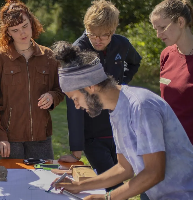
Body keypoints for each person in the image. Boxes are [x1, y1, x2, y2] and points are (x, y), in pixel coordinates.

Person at [52, 41, 193, 200]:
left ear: (90, 87)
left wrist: (107, 198)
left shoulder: (141, 106)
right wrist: (80, 186)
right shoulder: (116, 109)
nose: (76, 106)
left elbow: (154, 172)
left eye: (75, 98)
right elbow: (124, 168)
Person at [59, 0, 142, 192]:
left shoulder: (122, 44)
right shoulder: (76, 52)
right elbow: (74, 105)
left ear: (113, 31)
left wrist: (123, 82)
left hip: (117, 126)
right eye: (92, 34)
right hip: (92, 131)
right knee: (114, 185)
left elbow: (134, 63)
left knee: (123, 175)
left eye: (104, 36)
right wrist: (76, 149)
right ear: (86, 28)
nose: (97, 40)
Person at [0, 0, 64, 159]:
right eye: (15, 30)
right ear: (8, 32)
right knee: (9, 182)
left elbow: (60, 90)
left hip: (41, 138)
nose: (22, 33)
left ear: (31, 23)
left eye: (25, 26)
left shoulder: (49, 56)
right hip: (9, 140)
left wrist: (52, 96)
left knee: (46, 183)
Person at [150, 0, 193, 144]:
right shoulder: (166, 54)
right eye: (156, 29)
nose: (158, 34)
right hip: (168, 144)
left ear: (180, 22)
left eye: (162, 27)